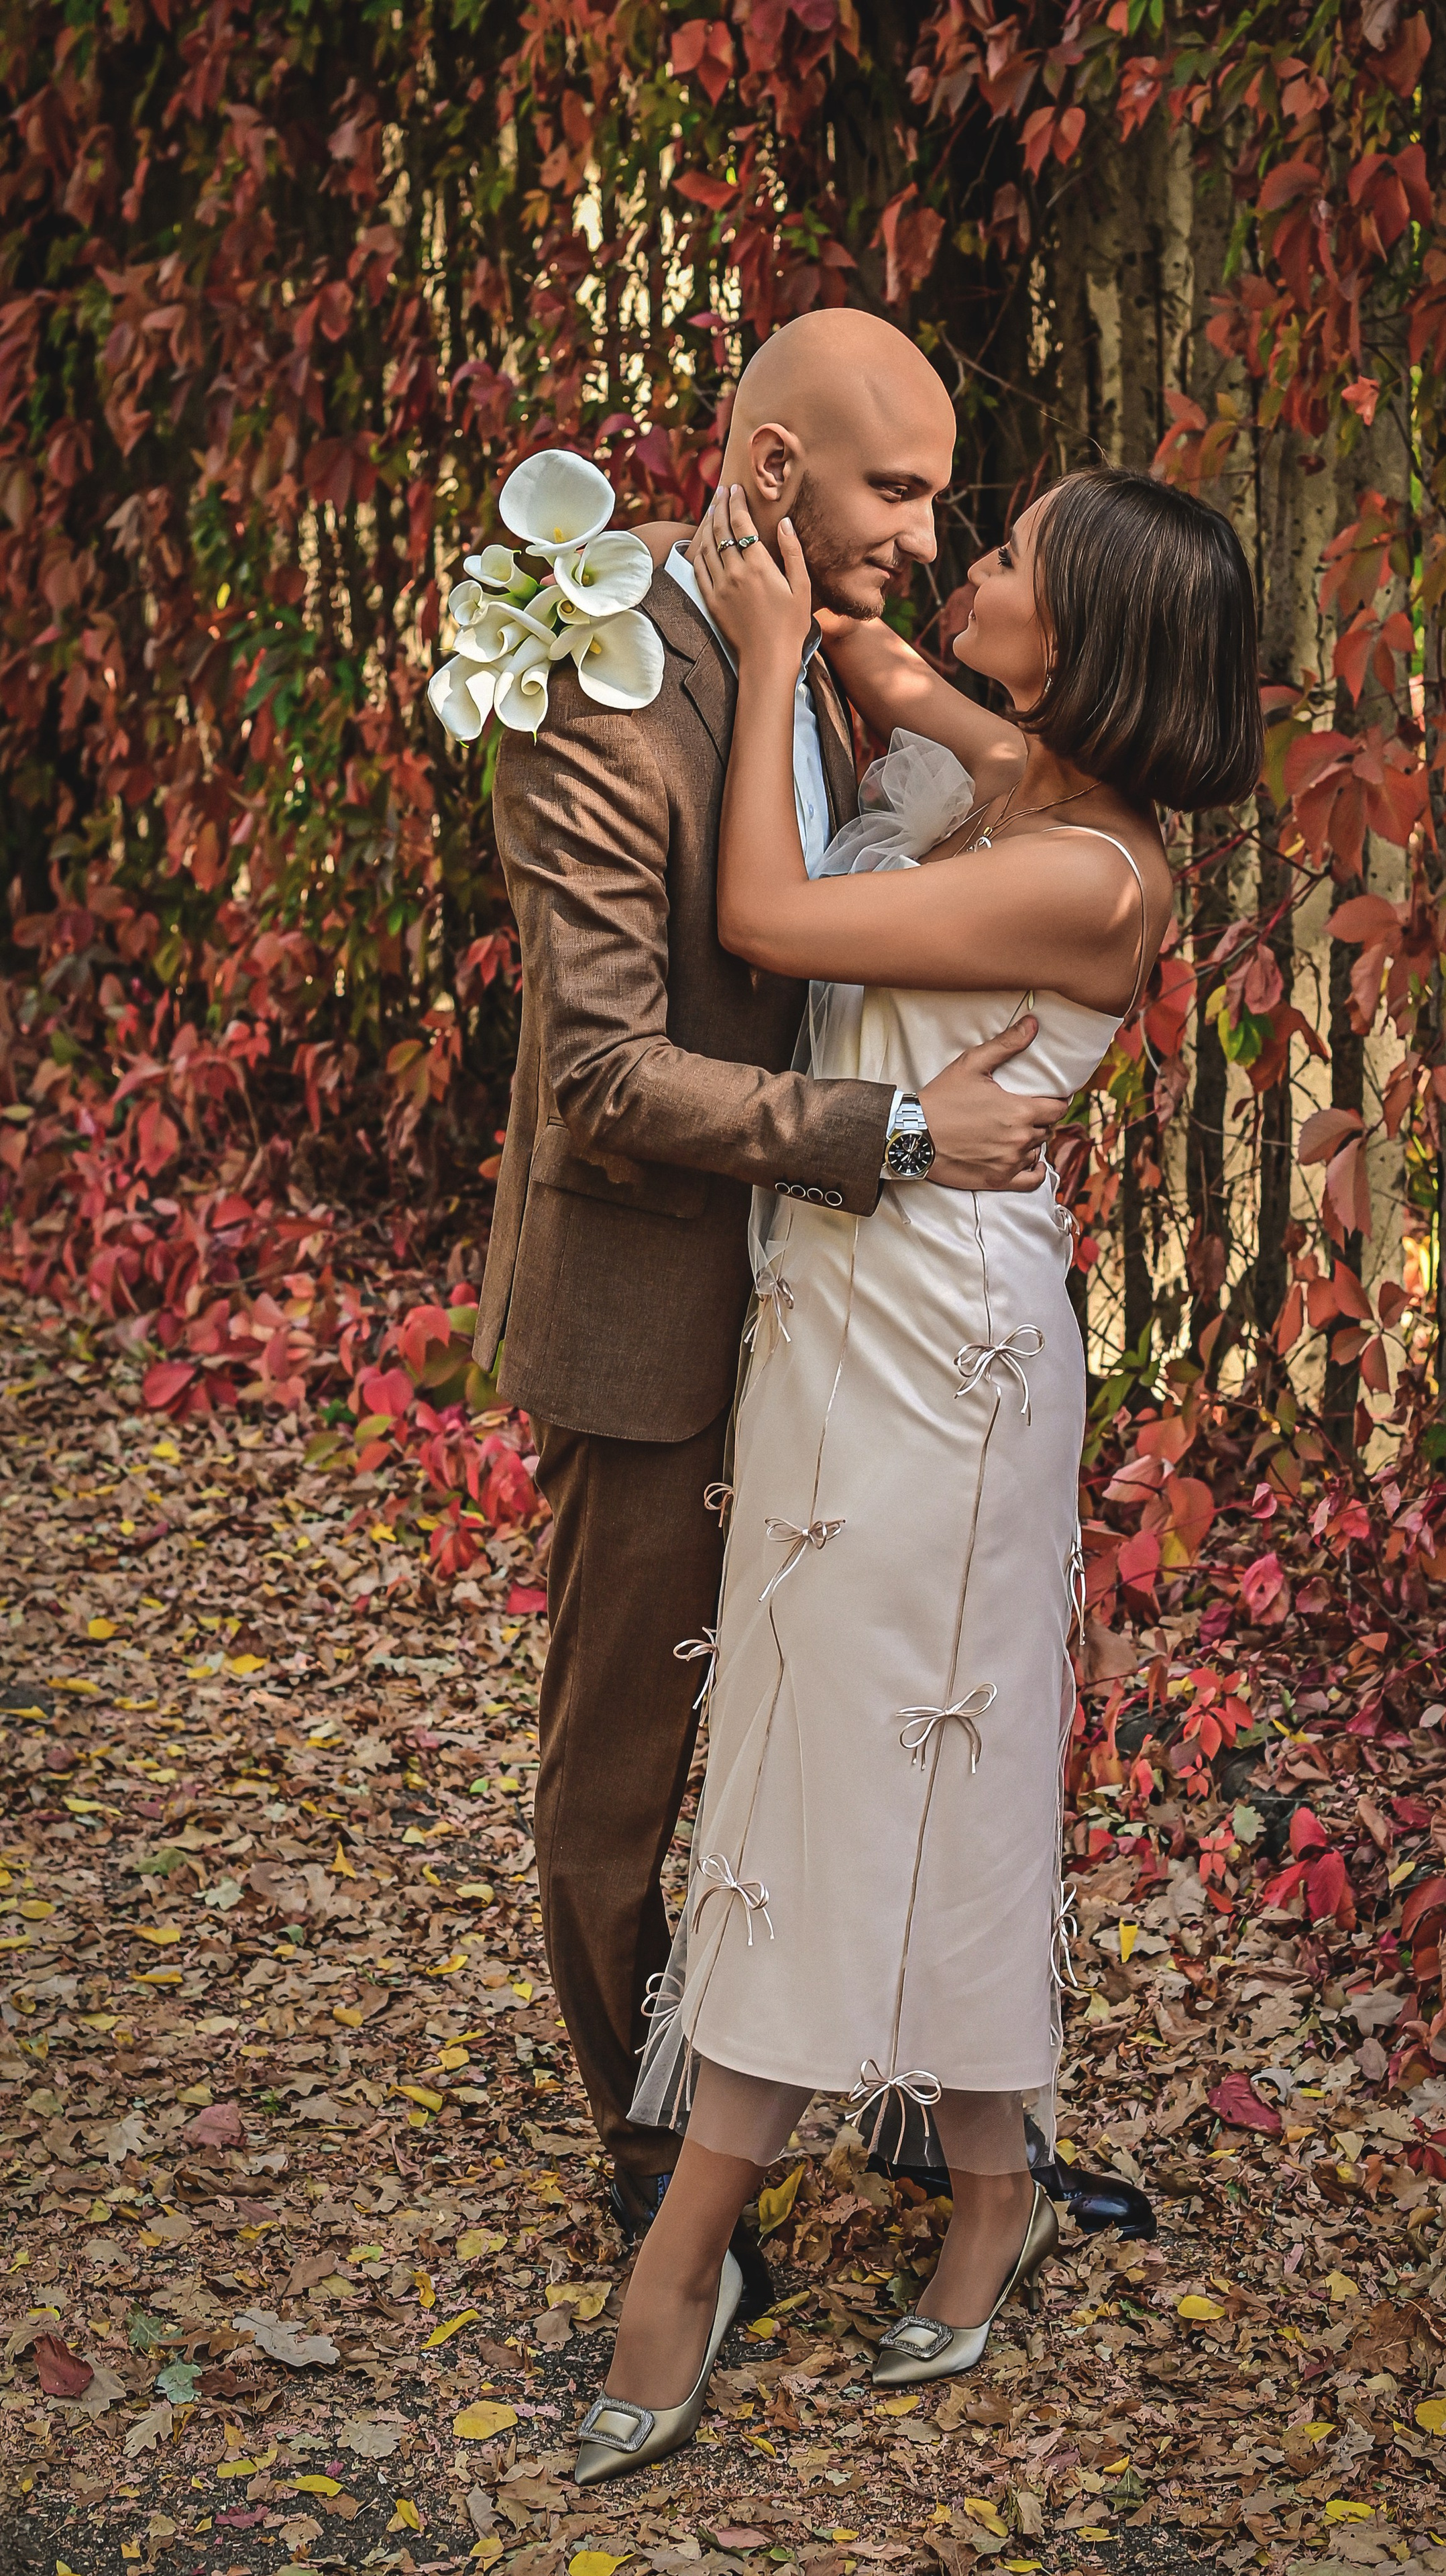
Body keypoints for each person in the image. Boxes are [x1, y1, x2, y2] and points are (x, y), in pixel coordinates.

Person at [571, 462, 1263, 2486]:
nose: (975, 567)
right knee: (903, 1749)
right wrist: (789, 580)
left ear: (1099, 639)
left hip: (943, 1356)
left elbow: (770, 916)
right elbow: (915, 681)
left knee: (848, 1765)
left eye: (1017, 561)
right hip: (841, 1311)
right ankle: (989, 2181)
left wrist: (793, 652)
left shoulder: (1092, 876)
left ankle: (682, 2255)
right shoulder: (1017, 779)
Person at [473, 311, 1070, 2289]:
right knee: (620, 1777)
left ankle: (915, 2097)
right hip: (656, 1302)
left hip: (847, 1317)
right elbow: (600, 1072)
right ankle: (662, 2169)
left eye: (933, 487)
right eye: (894, 486)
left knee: (865, 1709)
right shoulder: (591, 677)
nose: (926, 524)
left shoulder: (833, 642)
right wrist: (896, 1136)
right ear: (769, 471)